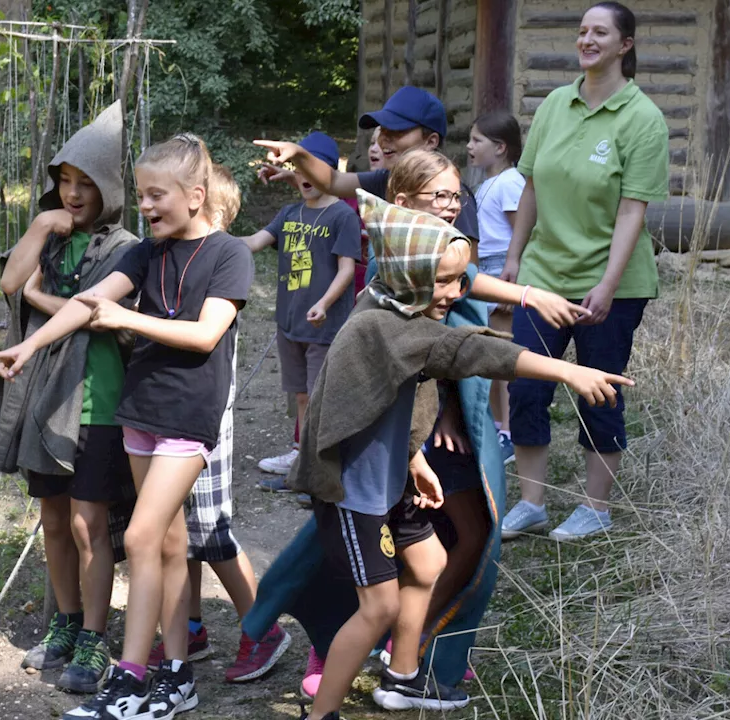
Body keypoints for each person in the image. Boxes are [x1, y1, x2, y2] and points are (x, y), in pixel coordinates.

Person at [287, 190, 634, 720]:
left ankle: (403, 676)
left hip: (391, 480)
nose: (457, 290)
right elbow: (476, 348)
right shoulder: (388, 327)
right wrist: (567, 370)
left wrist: (413, 461)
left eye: (460, 278)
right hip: (353, 492)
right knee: (377, 604)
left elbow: (387, 407)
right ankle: (321, 714)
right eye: (446, 281)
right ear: (412, 276)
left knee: (429, 561)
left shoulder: (393, 303)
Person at [0, 134, 255, 720]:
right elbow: (86, 304)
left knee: (139, 537)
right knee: (173, 544)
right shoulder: (147, 255)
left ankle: (129, 676)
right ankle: (176, 675)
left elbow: (206, 334)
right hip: (139, 414)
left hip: (188, 418)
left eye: (157, 195)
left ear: (196, 195)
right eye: (141, 195)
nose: (147, 206)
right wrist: (28, 346)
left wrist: (127, 317)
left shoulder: (230, 254)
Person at [499, 1, 669, 542]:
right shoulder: (554, 104)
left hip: (610, 284)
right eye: (582, 31)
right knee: (526, 385)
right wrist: (513, 258)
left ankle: (596, 507)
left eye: (601, 32)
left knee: (599, 391)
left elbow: (631, 210)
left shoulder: (643, 119)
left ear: (625, 45)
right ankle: (532, 502)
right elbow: (530, 187)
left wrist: (608, 284)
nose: (587, 39)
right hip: (545, 274)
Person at [0, 101, 138, 693]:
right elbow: (8, 284)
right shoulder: (54, 235)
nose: (73, 195)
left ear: (108, 188)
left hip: (98, 400)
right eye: (64, 183)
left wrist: (44, 301)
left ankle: (97, 637)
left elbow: (102, 317)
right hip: (45, 399)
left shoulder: (125, 247)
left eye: (85, 184)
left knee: (88, 524)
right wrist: (41, 225)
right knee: (53, 519)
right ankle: (67, 625)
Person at [148, 164, 292, 683]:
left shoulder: (223, 259)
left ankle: (264, 627)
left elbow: (204, 335)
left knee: (208, 528)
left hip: (203, 414)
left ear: (203, 204)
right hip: (164, 411)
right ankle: (188, 625)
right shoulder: (165, 257)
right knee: (174, 530)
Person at [255, 85, 481, 269]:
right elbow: (332, 181)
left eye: (398, 131)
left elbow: (468, 271)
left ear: (430, 141)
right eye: (383, 130)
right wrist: (299, 154)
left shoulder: (452, 197)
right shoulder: (385, 179)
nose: (384, 139)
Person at [244, 132, 362, 482]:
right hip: (289, 325)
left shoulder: (343, 216)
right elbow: (252, 242)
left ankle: (321, 465)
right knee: (300, 395)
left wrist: (324, 303)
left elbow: (347, 269)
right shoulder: (288, 213)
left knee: (319, 396)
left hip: (323, 326)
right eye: (297, 168)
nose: (304, 177)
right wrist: (209, 237)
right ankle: (302, 455)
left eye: (313, 168)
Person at [466, 111, 527, 464]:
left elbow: (521, 232)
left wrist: (512, 275)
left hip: (500, 270)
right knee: (488, 355)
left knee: (503, 356)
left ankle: (508, 432)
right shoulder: (487, 183)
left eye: (478, 140)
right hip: (483, 272)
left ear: (500, 147)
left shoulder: (510, 182)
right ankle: (495, 425)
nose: (470, 146)